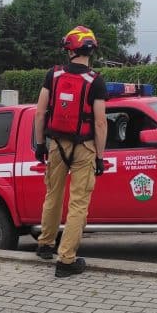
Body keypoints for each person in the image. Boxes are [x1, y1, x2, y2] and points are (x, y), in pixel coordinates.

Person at [33, 25, 108, 278]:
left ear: (70, 50)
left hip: (56, 145)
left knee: (52, 194)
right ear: (90, 50)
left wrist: (39, 143)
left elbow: (41, 111)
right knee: (78, 204)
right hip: (84, 147)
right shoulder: (96, 81)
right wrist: (100, 156)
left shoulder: (52, 76)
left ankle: (45, 244)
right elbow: (100, 122)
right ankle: (66, 260)